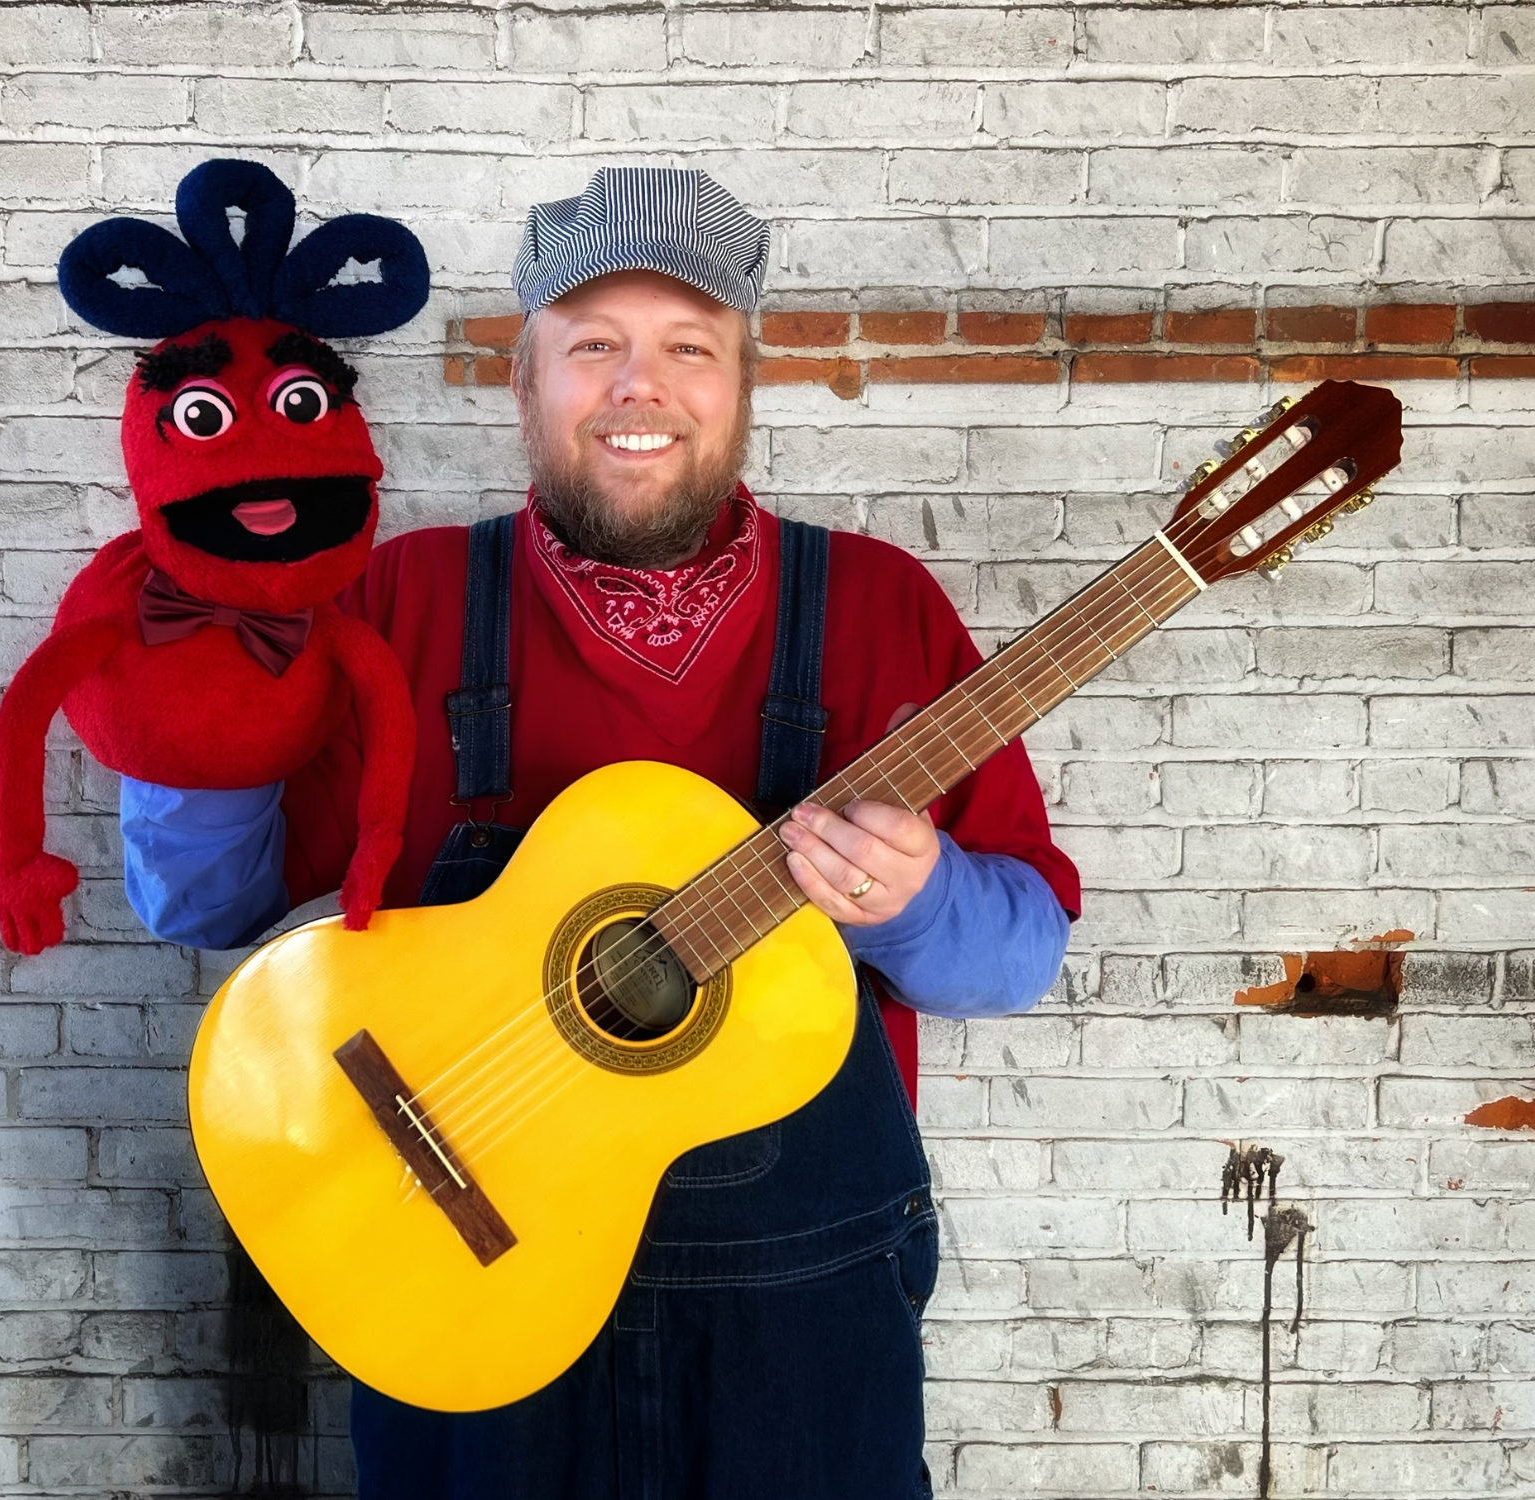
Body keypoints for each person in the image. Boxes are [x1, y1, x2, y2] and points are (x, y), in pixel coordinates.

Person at [118, 167, 1079, 1500]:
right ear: (525, 384)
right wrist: (189, 697)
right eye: (596, 348)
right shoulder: (402, 598)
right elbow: (204, 904)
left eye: (690, 348)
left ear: (741, 384)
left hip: (789, 1318)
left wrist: (920, 898)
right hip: (458, 1269)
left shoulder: (877, 605)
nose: (643, 386)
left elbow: (1020, 955)